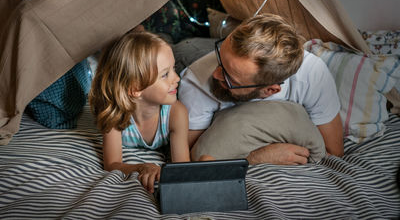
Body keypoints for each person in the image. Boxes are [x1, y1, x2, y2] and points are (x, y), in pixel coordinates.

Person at [178, 13, 344, 165]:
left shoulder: (313, 76)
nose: (216, 74)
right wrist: (254, 159)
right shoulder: (195, 81)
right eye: (220, 58)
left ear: (270, 91)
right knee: (182, 49)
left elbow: (334, 153)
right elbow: (189, 163)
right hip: (189, 54)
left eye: (230, 78)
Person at [89, 31, 190, 193]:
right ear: (136, 88)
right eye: (165, 74)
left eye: (174, 69)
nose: (177, 78)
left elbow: (183, 169)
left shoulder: (176, 114)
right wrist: (143, 167)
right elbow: (112, 164)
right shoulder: (114, 112)